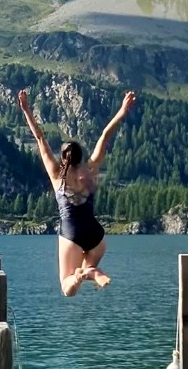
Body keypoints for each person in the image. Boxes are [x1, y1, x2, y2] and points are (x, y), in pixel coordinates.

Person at [17, 89, 136, 296]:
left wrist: (26, 109)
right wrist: (122, 111)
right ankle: (90, 271)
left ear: (63, 158)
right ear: (80, 156)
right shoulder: (90, 169)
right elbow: (105, 136)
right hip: (95, 234)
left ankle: (83, 275)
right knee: (87, 265)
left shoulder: (57, 175)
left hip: (71, 232)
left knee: (67, 288)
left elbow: (39, 138)